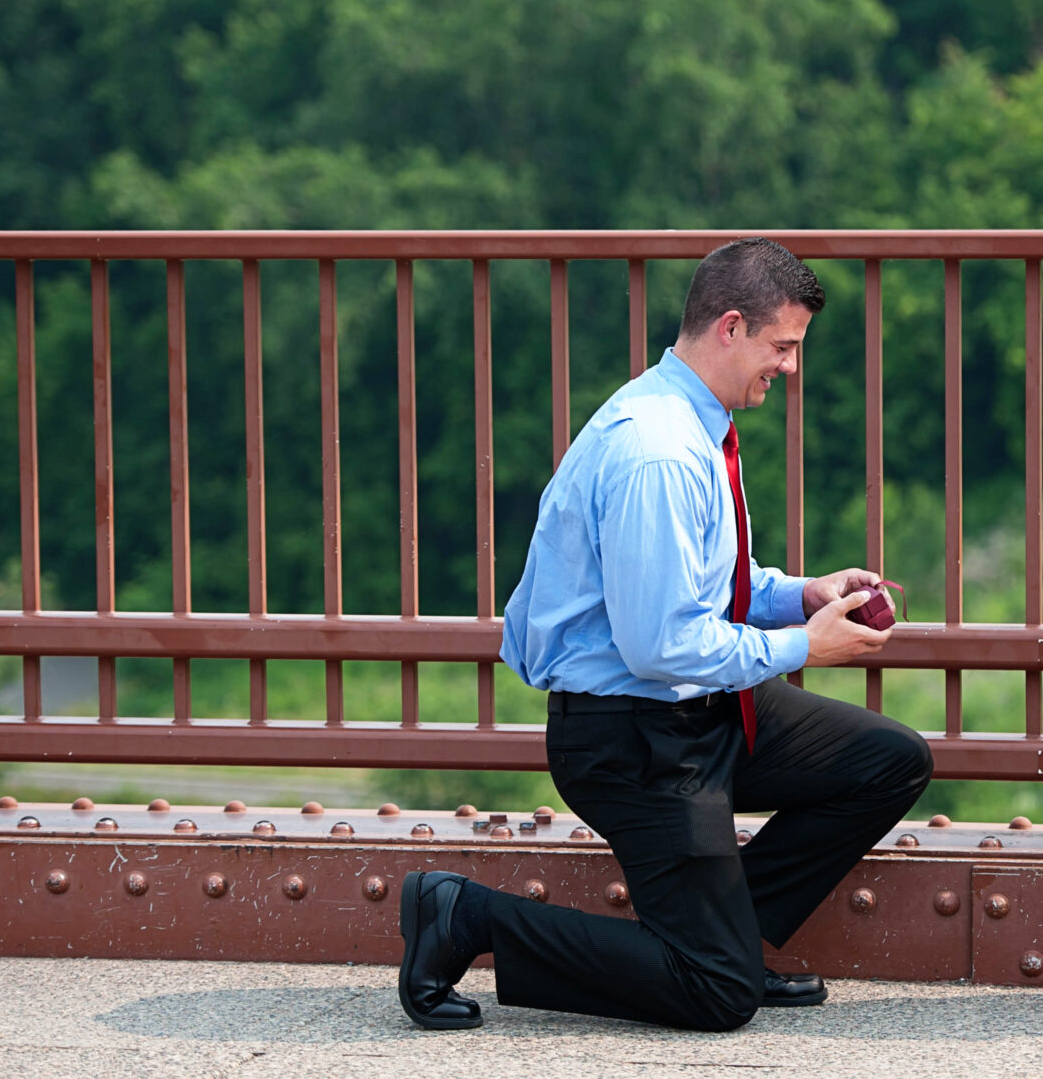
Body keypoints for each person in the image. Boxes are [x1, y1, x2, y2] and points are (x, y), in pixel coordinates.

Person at [396, 237, 934, 1032]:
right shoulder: (658, 451)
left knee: (888, 763)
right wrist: (803, 647)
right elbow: (660, 646)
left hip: (700, 712)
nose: (789, 367)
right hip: (632, 741)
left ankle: (720, 941)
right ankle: (466, 916)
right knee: (715, 999)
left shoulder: (691, 419)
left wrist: (798, 596)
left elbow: (700, 592)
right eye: (781, 347)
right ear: (728, 327)